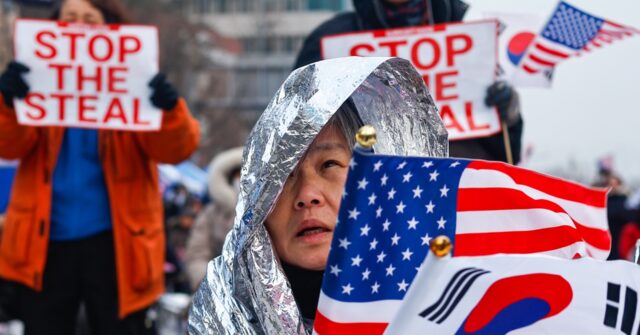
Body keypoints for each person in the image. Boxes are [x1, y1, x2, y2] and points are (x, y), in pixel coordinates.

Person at [189, 57, 447, 334]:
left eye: (329, 165)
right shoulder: (222, 319)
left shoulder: (447, 303)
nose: (307, 195)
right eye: (283, 176)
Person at [0, 0, 200, 333]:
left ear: (109, 31)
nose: (79, 26)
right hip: (45, 246)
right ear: (53, 28)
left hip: (118, 247)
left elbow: (177, 150)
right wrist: (8, 105)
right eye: (70, 18)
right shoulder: (36, 83)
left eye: (88, 19)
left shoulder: (134, 86)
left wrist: (168, 109)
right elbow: (8, 145)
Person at [294, 0, 523, 165]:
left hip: (457, 195)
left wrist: (507, 117)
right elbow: (298, 130)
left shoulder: (475, 31)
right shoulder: (327, 42)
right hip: (371, 195)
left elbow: (506, 154)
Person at [185, 147, 243, 291]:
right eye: (238, 175)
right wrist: (211, 284)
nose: (241, 180)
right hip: (218, 291)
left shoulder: (272, 211)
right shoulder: (211, 214)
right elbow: (197, 254)